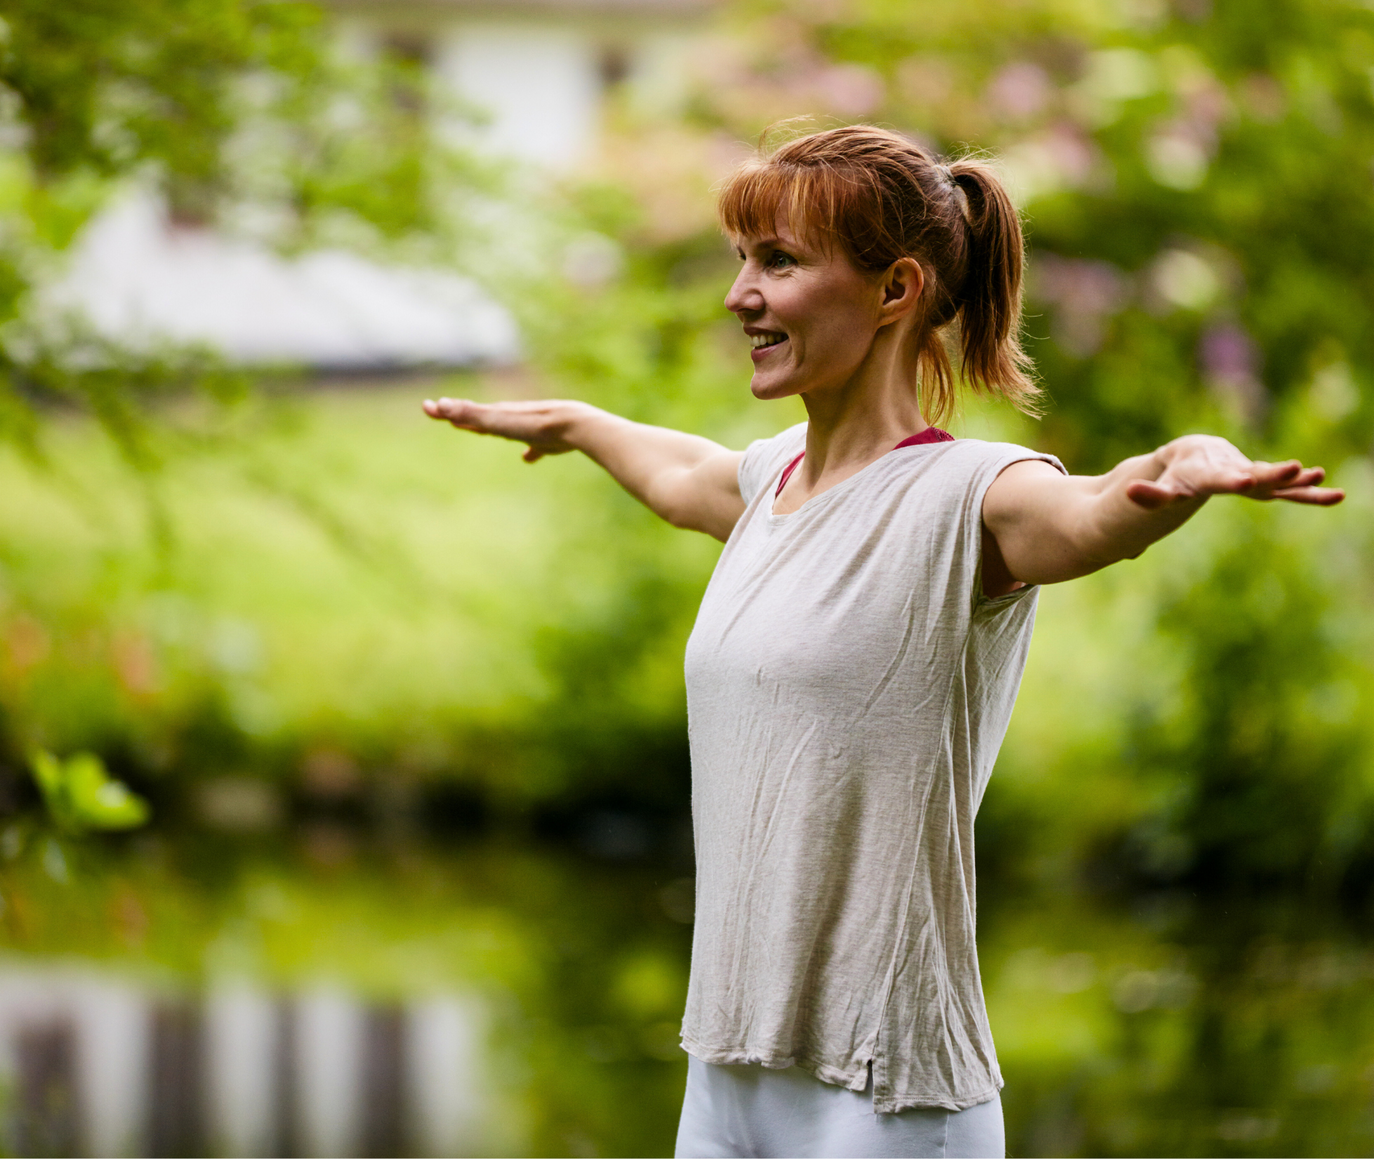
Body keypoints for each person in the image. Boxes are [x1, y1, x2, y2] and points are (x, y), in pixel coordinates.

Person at [423, 125, 1344, 1159]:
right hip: (726, 1075)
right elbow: (683, 473)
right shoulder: (774, 483)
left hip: (883, 1096)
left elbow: (1089, 515)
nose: (739, 295)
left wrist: (1183, 470)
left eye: (777, 262)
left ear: (896, 289)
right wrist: (583, 423)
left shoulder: (972, 496)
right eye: (741, 260)